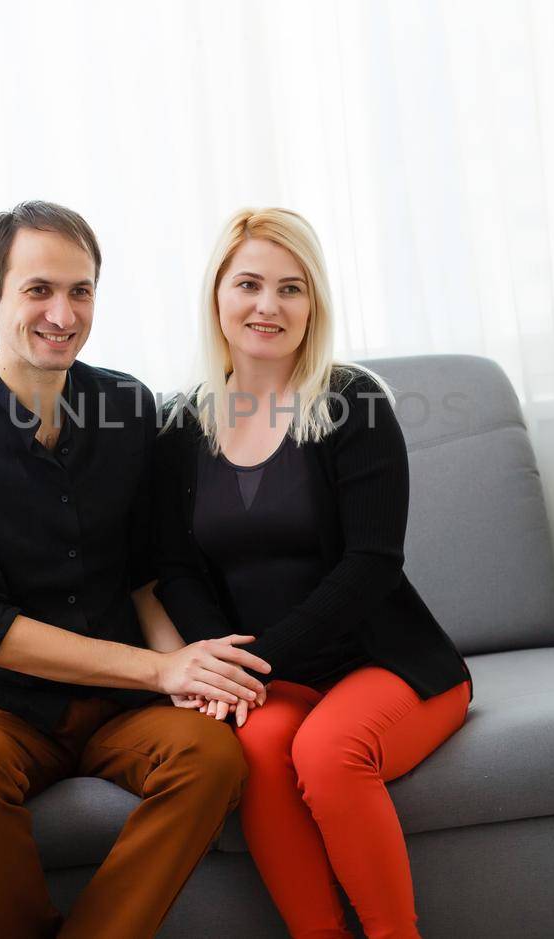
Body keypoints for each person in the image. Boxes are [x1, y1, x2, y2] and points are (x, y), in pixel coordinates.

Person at [0, 200, 272, 939]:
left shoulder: (127, 406)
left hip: (122, 708)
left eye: (81, 290)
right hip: (0, 705)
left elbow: (146, 573)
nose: (63, 313)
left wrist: (185, 666)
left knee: (215, 757)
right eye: (38, 290)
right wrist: (158, 672)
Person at [152, 207, 472, 939]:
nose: (269, 305)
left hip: (386, 660)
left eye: (291, 288)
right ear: (218, 297)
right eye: (250, 284)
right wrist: (223, 663)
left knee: (327, 753)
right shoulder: (178, 426)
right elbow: (173, 566)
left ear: (314, 304)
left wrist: (251, 661)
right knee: (261, 749)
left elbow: (373, 564)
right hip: (273, 678)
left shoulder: (353, 403)